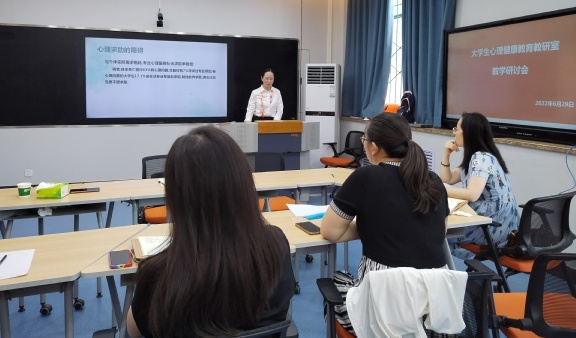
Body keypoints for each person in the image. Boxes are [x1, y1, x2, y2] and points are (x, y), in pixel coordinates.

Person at [126, 126, 295, 338]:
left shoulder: (158, 274)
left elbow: (133, 331)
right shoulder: (277, 246)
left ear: (176, 197)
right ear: (244, 182)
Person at [321, 112, 449, 335]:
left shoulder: (365, 176)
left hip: (382, 313)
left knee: (338, 279)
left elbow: (330, 231)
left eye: (364, 140)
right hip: (432, 312)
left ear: (374, 147)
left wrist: (373, 224)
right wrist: (385, 225)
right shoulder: (433, 180)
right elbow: (442, 231)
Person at [440, 112, 519, 259]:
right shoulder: (478, 156)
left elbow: (472, 194)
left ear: (468, 134)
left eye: (457, 129)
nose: (454, 133)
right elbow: (447, 179)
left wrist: (441, 189)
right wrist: (446, 154)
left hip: (494, 225)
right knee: (440, 231)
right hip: (497, 221)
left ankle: (459, 267)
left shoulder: (481, 158)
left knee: (438, 234)